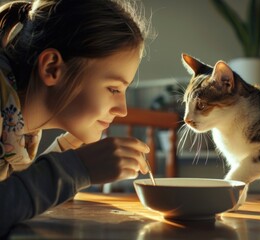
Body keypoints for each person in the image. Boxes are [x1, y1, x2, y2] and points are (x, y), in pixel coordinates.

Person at [0, 0, 153, 235]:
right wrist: (78, 168)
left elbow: (13, 192)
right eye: (113, 89)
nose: (122, 110)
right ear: (52, 68)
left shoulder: (16, 130)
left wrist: (67, 152)